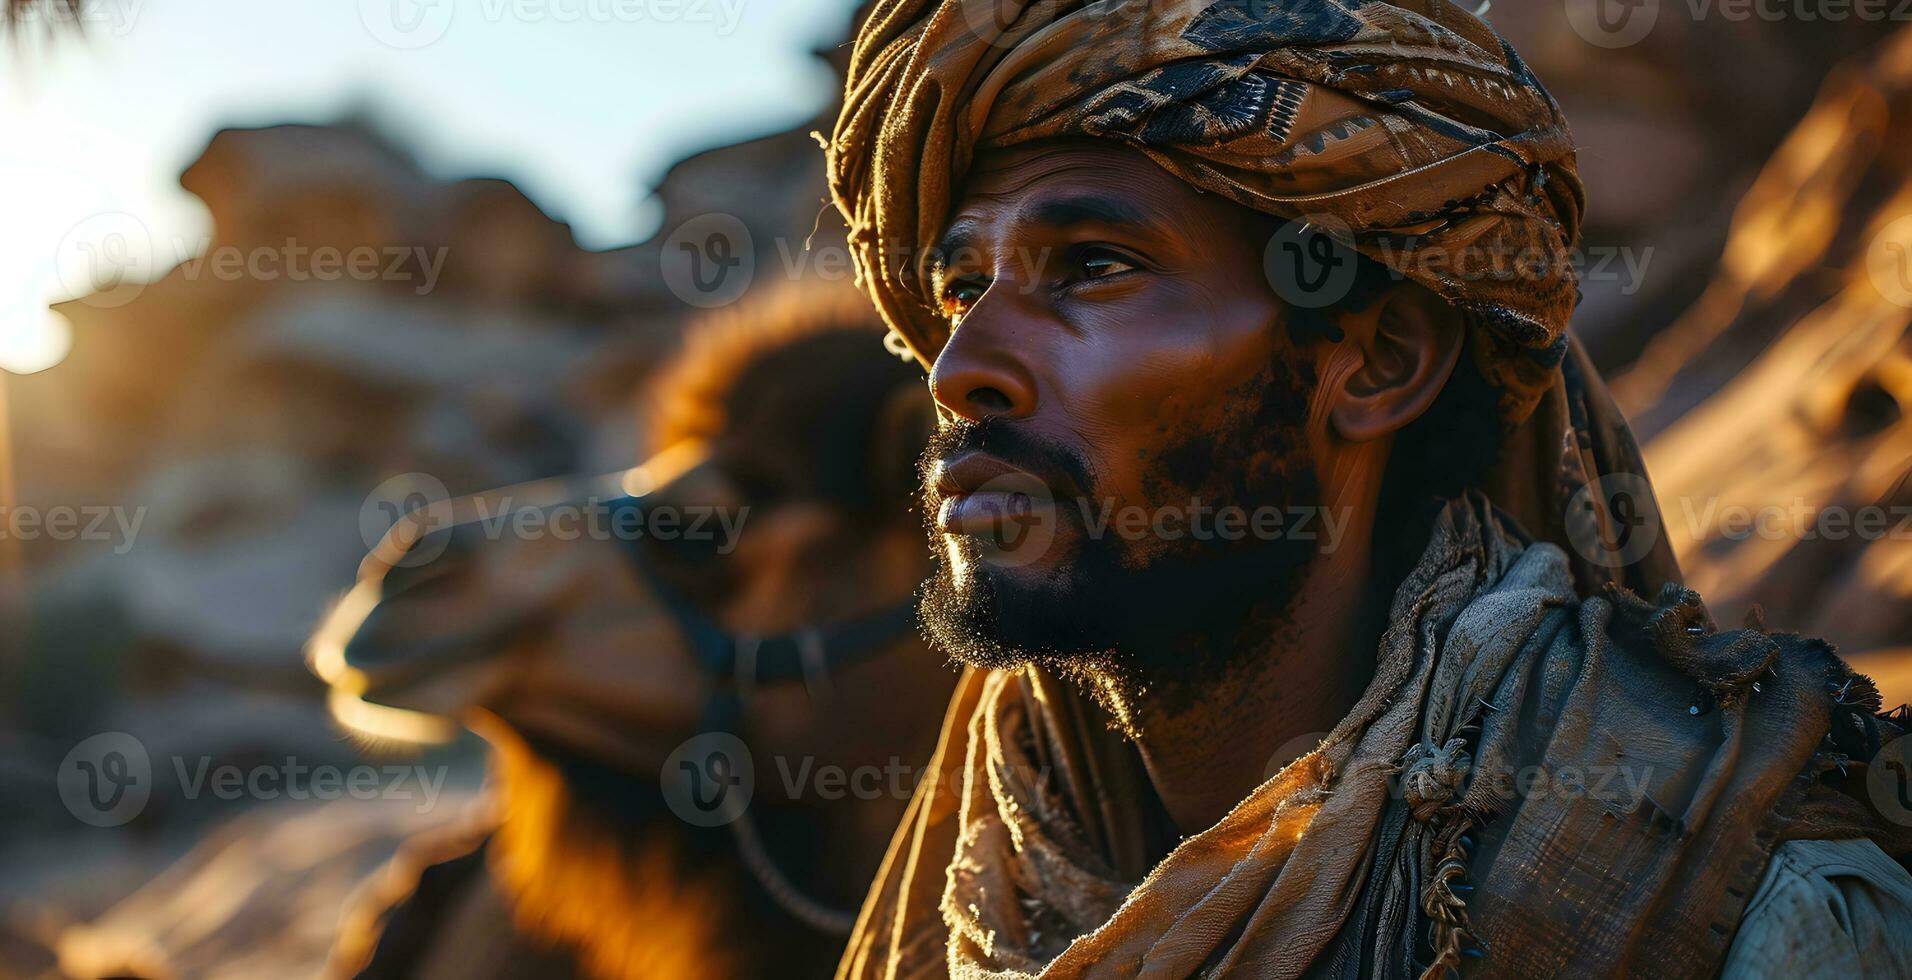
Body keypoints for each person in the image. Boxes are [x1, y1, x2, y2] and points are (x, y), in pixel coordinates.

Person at [819, 1, 1912, 976]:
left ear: (1380, 360)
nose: (960, 364)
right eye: (962, 285)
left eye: (1095, 264)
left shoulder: (1741, 905)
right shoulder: (982, 886)